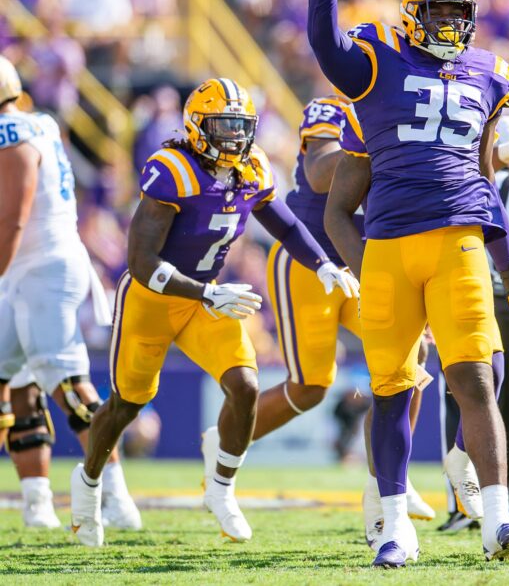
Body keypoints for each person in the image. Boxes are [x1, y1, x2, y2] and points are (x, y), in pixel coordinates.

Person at [306, 0, 509, 566]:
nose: (447, 24)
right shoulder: (378, 60)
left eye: (456, 13)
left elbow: (486, 177)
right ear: (412, 16)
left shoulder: (490, 75)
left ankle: (495, 517)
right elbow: (327, 49)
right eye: (435, 13)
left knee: (473, 376)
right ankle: (392, 524)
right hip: (388, 243)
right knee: (391, 387)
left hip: (459, 242)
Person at [70, 77, 355, 547]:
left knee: (244, 385)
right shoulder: (173, 169)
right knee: (127, 404)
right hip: (154, 300)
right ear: (197, 126)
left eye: (241, 126)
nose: (234, 137)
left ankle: (221, 489)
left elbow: (283, 223)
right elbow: (141, 264)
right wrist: (203, 293)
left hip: (207, 298)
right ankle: (89, 482)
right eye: (223, 126)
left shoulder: (252, 167)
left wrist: (322, 265)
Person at [206, 95, 435, 545]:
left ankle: (389, 479)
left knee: (412, 355)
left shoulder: (412, 110)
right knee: (311, 385)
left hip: (362, 261)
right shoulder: (335, 110)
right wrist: (379, 140)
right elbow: (319, 173)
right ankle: (225, 438)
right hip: (307, 262)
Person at [0, 55, 140, 531]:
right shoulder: (37, 122)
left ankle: (116, 496)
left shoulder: (14, 135)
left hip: (36, 268)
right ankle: (37, 503)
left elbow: (13, 217)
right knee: (15, 383)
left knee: (66, 383)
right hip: (31, 266)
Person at [439, 114, 509, 532]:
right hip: (507, 300)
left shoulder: (458, 182)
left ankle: (459, 505)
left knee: (457, 400)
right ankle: (508, 501)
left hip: (456, 295)